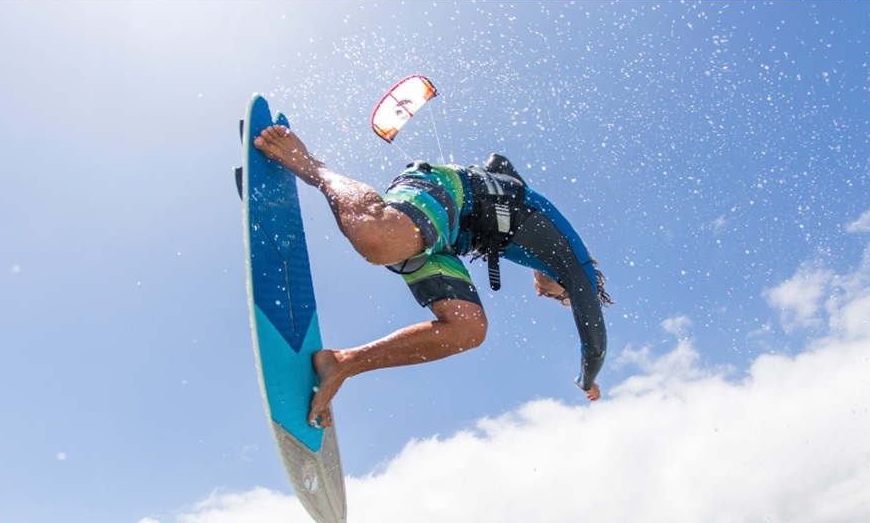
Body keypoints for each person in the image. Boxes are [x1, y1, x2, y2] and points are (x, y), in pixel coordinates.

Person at [253, 124, 612, 428]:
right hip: (448, 190)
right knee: (378, 240)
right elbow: (594, 339)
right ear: (578, 284)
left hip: (446, 242)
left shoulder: (546, 247)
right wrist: (587, 381)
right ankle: (313, 166)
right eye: (557, 297)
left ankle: (344, 363)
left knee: (469, 329)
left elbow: (501, 164)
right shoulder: (573, 262)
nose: (543, 295)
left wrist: (500, 168)